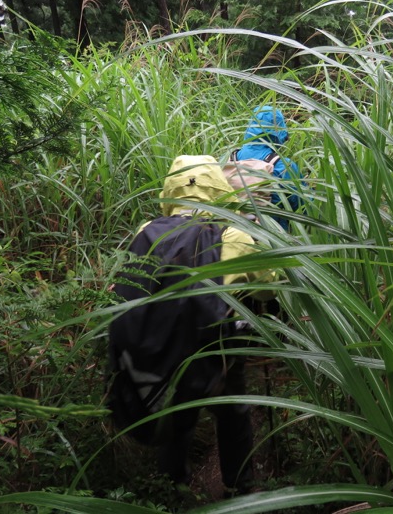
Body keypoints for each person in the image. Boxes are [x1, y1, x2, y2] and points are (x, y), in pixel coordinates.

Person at [107, 155, 274, 495]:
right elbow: (267, 287)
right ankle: (240, 488)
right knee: (233, 415)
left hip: (161, 350)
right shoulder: (233, 233)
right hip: (215, 352)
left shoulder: (146, 231)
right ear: (220, 188)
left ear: (170, 189)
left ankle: (174, 488)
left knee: (178, 415)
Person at [231, 105, 305, 230]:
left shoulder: (228, 159)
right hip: (273, 239)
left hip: (231, 236)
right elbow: (303, 206)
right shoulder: (283, 166)